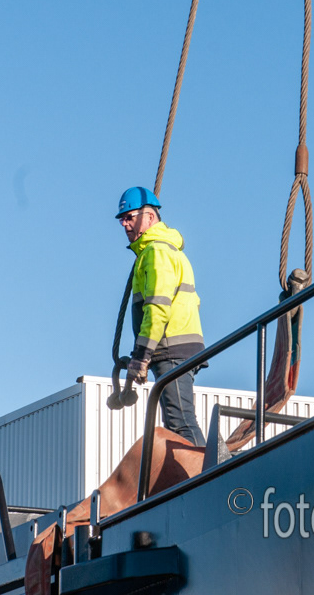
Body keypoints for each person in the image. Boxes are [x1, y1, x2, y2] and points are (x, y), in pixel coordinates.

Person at [116, 186, 207, 447]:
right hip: (175, 347)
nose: (124, 224)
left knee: (181, 423)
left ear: (149, 216)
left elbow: (157, 308)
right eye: (122, 219)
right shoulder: (164, 250)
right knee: (176, 423)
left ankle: (208, 470)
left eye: (129, 217)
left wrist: (141, 355)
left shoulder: (156, 252)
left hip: (171, 349)